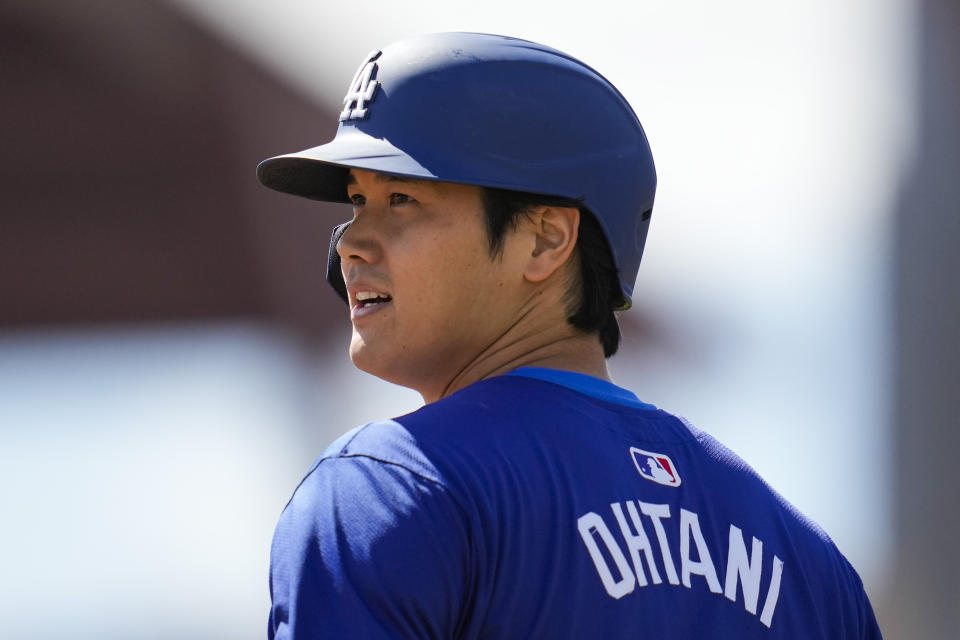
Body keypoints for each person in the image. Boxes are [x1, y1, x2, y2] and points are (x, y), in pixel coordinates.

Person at [256, 32, 882, 639]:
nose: (352, 244)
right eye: (355, 203)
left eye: (401, 200)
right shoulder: (812, 567)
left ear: (546, 239)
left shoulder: (389, 490)